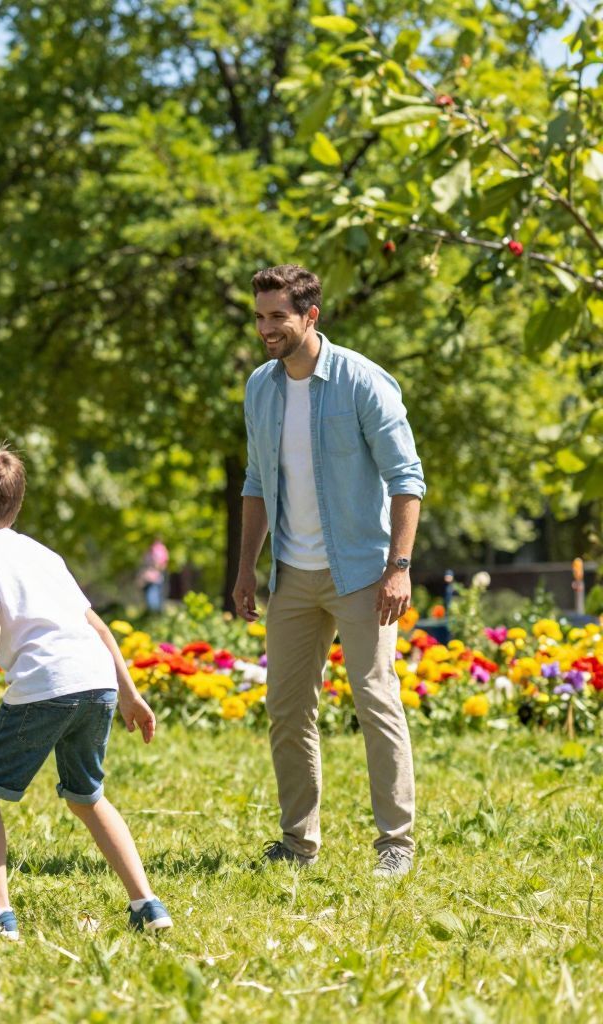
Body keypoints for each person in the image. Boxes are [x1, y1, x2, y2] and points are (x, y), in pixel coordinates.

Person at [233, 264, 424, 878]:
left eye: (277, 317)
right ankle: (298, 842)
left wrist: (399, 567)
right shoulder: (260, 388)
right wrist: (246, 568)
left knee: (375, 700)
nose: (266, 328)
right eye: (259, 316)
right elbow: (256, 482)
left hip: (363, 572)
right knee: (287, 710)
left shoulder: (362, 382)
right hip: (292, 575)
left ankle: (396, 842)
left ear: (310, 316)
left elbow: (407, 479)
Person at [0, 445, 169, 937]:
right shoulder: (43, 555)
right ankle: (148, 905)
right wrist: (129, 692)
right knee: (88, 795)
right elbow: (97, 625)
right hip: (96, 681)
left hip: (46, 684)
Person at [139, 537, 169, 615]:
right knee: (152, 597)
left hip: (155, 578)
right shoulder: (151, 550)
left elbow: (161, 564)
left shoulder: (159, 550)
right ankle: (153, 614)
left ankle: (154, 615)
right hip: (150, 578)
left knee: (153, 598)